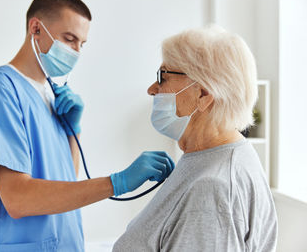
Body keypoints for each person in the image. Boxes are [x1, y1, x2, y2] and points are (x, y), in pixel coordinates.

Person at [0, 0, 174, 252]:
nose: (75, 51)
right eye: (69, 39)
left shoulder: (51, 97)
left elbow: (64, 180)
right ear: (36, 28)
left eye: (81, 44)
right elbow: (17, 199)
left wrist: (74, 132)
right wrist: (116, 183)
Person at [112, 25, 278, 252]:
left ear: (203, 94)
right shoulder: (215, 156)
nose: (152, 89)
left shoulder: (212, 189)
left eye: (163, 76)